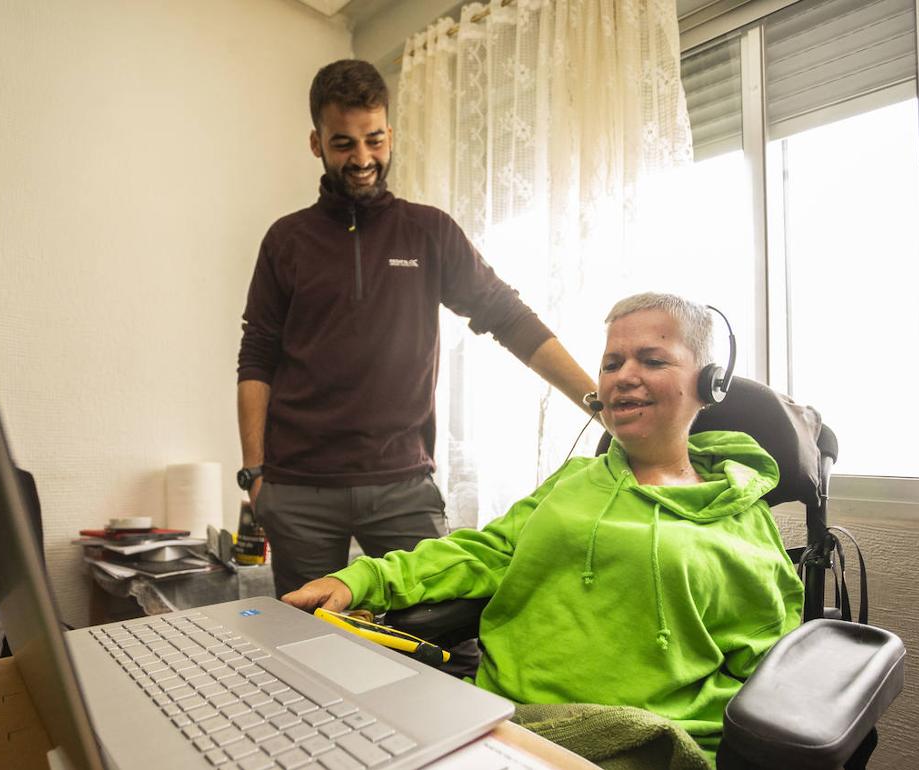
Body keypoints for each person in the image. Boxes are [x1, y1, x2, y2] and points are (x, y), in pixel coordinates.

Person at [282, 292, 805, 760]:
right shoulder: (572, 481)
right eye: (612, 362)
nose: (624, 375)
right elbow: (483, 553)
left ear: (709, 382)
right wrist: (357, 579)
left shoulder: (740, 513)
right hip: (500, 722)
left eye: (652, 360)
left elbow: (766, 669)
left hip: (643, 739)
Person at [237, 59, 596, 597]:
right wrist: (254, 474)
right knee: (311, 645)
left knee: (439, 633)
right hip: (299, 490)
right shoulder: (286, 241)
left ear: (390, 134)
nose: (362, 159)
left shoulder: (429, 232)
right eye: (343, 144)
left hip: (402, 486)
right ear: (316, 143)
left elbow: (507, 316)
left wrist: (597, 401)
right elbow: (257, 356)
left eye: (374, 140)